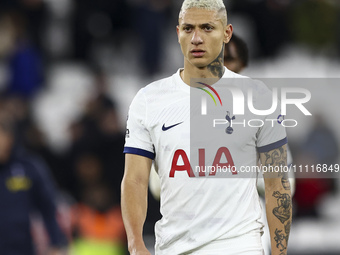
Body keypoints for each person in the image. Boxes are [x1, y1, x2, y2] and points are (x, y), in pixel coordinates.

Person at [121, 0, 292, 254]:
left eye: (207, 28)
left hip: (240, 247)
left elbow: (276, 184)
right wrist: (135, 244)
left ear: (227, 33)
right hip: (174, 247)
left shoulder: (258, 98)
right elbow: (134, 179)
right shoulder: (149, 100)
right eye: (188, 28)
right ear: (177, 32)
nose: (197, 38)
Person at [0, 109, 68, 255]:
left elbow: (49, 208)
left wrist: (56, 243)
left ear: (9, 137)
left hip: (21, 248)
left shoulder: (29, 167)